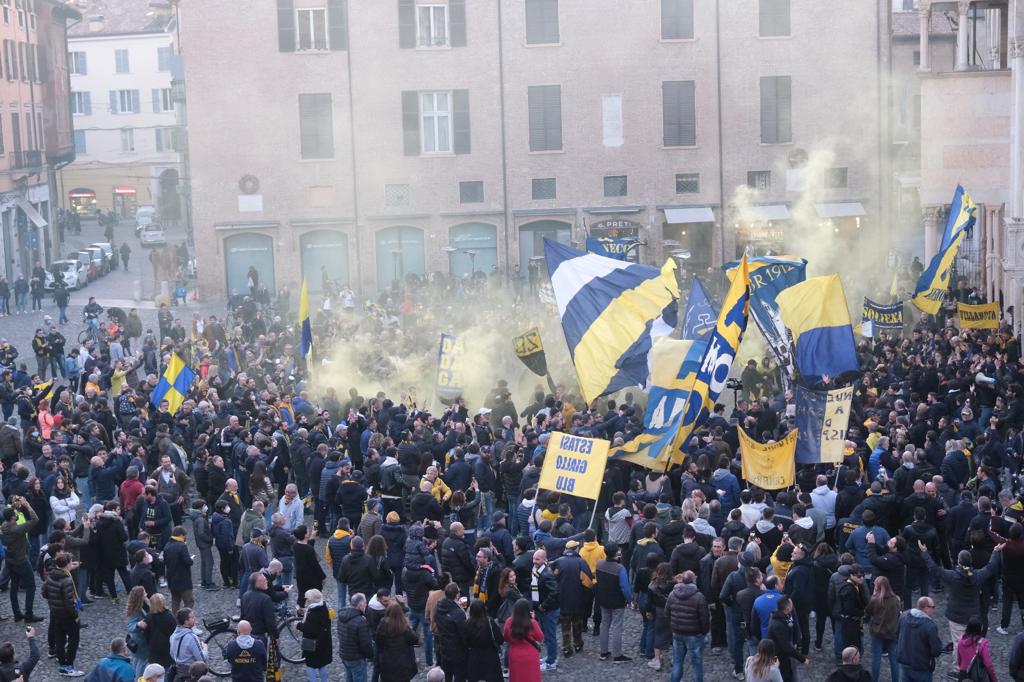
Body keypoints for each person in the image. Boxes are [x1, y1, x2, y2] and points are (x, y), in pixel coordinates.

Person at [41, 551, 84, 677]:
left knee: (59, 639)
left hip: (55, 613)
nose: (72, 564)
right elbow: (68, 603)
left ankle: (62, 664)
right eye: (71, 562)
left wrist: (54, 601)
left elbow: (44, 593)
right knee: (73, 639)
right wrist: (76, 615)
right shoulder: (66, 579)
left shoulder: (51, 575)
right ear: (66, 564)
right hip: (67, 615)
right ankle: (68, 665)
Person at [666, 569, 710, 682]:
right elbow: (704, 618)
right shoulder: (699, 597)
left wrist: (674, 625)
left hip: (677, 632)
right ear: (694, 581)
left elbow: (667, 613)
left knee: (677, 661)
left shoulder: (672, 594)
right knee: (697, 663)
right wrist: (704, 632)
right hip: (694, 634)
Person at [594, 543, 631, 664]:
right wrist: (629, 600)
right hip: (617, 601)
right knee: (617, 627)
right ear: (616, 553)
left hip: (603, 599)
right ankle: (617, 654)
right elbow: (625, 588)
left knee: (604, 625)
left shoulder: (599, 564)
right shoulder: (620, 569)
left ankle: (603, 652)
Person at [896, 596, 943, 682]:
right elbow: (936, 651)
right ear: (925, 608)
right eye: (933, 607)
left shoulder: (904, 616)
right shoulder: (930, 626)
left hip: (904, 663)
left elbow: (897, 634)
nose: (933, 609)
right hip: (921, 667)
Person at [864, 575, 901, 682]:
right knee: (894, 659)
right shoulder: (895, 600)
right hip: (892, 632)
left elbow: (868, 612)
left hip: (877, 632)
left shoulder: (875, 600)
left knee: (876, 659)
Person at [374, 601, 419, 682]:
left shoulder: (382, 624)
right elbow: (415, 639)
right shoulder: (404, 625)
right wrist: (410, 628)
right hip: (403, 663)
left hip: (387, 662)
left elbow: (378, 641)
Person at [766, 596, 806, 682]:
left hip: (783, 653)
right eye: (791, 603)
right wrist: (802, 658)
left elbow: (793, 625)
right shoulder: (778, 625)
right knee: (785, 676)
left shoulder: (784, 615)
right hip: (780, 656)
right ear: (787, 607)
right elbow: (786, 646)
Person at [462, 599, 503, 682]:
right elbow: (500, 639)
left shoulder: (467, 624)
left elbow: (464, 642)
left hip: (474, 658)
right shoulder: (490, 622)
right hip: (491, 657)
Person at [503, 598, 543, 682]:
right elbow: (540, 637)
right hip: (530, 654)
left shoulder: (508, 622)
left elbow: (506, 638)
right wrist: (533, 619)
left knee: (517, 678)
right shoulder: (532, 622)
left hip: (514, 653)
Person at [296, 589, 332, 682]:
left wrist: (298, 625)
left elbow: (309, 629)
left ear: (310, 600)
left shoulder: (313, 614)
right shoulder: (323, 607)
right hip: (324, 642)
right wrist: (306, 612)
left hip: (312, 644)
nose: (306, 601)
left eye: (307, 599)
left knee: (310, 665)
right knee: (322, 664)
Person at [434, 582, 468, 682]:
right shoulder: (458, 614)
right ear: (457, 595)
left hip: (444, 648)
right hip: (458, 651)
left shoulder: (439, 607)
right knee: (459, 676)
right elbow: (463, 634)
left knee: (447, 675)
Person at [337, 592, 374, 682]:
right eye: (365, 602)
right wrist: (371, 655)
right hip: (356, 657)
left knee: (349, 678)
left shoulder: (341, 616)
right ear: (360, 604)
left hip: (344, 654)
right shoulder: (361, 621)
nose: (366, 604)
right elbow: (365, 643)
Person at [169, 608, 208, 680]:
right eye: (192, 617)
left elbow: (172, 653)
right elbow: (201, 658)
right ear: (186, 622)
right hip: (192, 672)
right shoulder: (191, 637)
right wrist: (205, 648)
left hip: (179, 670)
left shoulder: (173, 635)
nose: (195, 619)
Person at [143, 594, 178, 674]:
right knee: (165, 670)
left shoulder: (149, 617)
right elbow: (175, 632)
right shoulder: (169, 616)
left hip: (154, 647)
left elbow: (146, 634)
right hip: (167, 647)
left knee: (155, 671)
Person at [955, 617, 997, 682]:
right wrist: (994, 679)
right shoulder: (983, 643)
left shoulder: (961, 640)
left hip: (963, 674)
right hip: (977, 675)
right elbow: (988, 664)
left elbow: (959, 659)